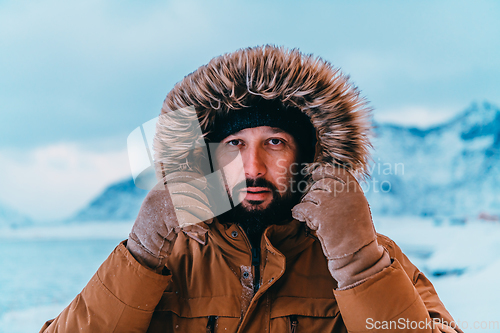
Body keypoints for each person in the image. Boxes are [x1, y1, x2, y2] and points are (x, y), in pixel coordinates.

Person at [40, 45, 461, 333]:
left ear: (309, 157)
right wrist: (142, 252)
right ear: (204, 158)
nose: (253, 167)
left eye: (275, 143)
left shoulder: (373, 256)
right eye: (234, 145)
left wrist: (358, 264)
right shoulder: (161, 261)